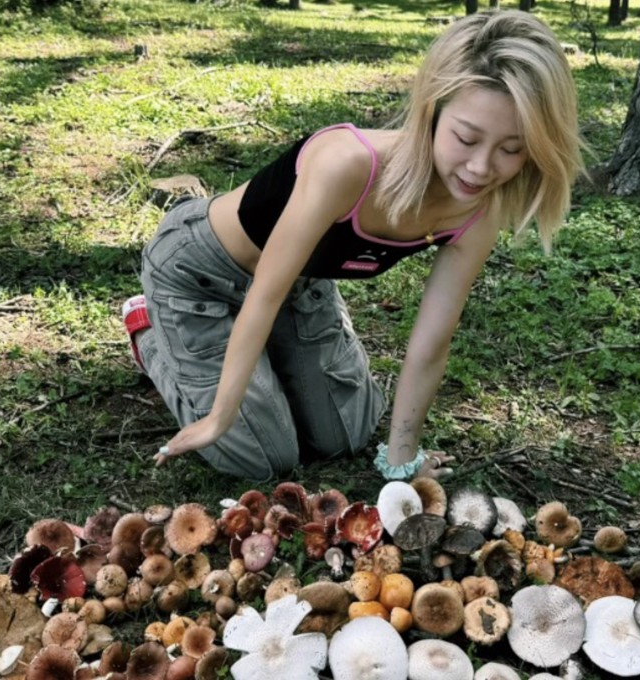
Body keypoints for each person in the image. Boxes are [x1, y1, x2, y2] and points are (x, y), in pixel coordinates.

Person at [123, 9, 584, 482]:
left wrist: (401, 459)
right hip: (200, 273)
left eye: (511, 149)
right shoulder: (348, 164)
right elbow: (264, 293)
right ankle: (148, 332)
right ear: (432, 111)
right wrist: (220, 415)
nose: (481, 168)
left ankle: (266, 371)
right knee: (261, 455)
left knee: (348, 433)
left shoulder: (479, 212)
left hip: (300, 285)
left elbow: (431, 343)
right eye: (466, 138)